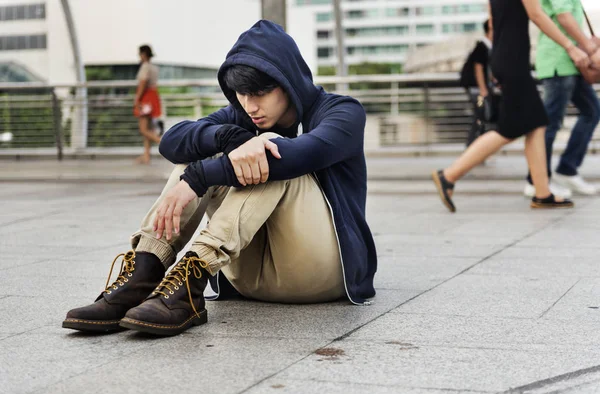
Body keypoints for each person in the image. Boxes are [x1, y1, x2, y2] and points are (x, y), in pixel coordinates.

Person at [62, 20, 377, 336]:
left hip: (322, 272)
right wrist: (226, 137)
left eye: (261, 92)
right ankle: (144, 272)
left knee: (271, 152)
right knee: (212, 147)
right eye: (241, 93)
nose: (250, 105)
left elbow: (295, 157)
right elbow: (173, 141)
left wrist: (199, 178)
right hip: (247, 278)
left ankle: (192, 275)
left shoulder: (342, 113)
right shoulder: (241, 115)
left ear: (289, 81)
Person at [432, 0, 591, 212]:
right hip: (513, 60)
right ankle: (449, 175)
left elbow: (494, 22)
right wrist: (570, 47)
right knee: (509, 129)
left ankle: (542, 193)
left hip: (505, 57)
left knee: (537, 123)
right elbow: (536, 14)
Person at [524, 0, 600, 197]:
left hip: (574, 61)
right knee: (549, 123)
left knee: (592, 111)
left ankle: (567, 169)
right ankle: (536, 180)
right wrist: (591, 49)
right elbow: (564, 17)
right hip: (559, 59)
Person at [460, 19, 494, 146]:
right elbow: (478, 68)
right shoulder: (482, 46)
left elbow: (486, 69)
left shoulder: (487, 46)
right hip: (476, 90)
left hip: (477, 89)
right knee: (480, 115)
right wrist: (483, 89)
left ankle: (476, 148)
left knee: (480, 116)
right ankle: (472, 147)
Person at [133, 44, 162, 165]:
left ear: (143, 54)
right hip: (153, 96)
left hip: (146, 98)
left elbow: (143, 83)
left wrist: (137, 99)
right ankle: (146, 156)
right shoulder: (154, 67)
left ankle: (163, 142)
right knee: (148, 128)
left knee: (144, 129)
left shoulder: (145, 67)